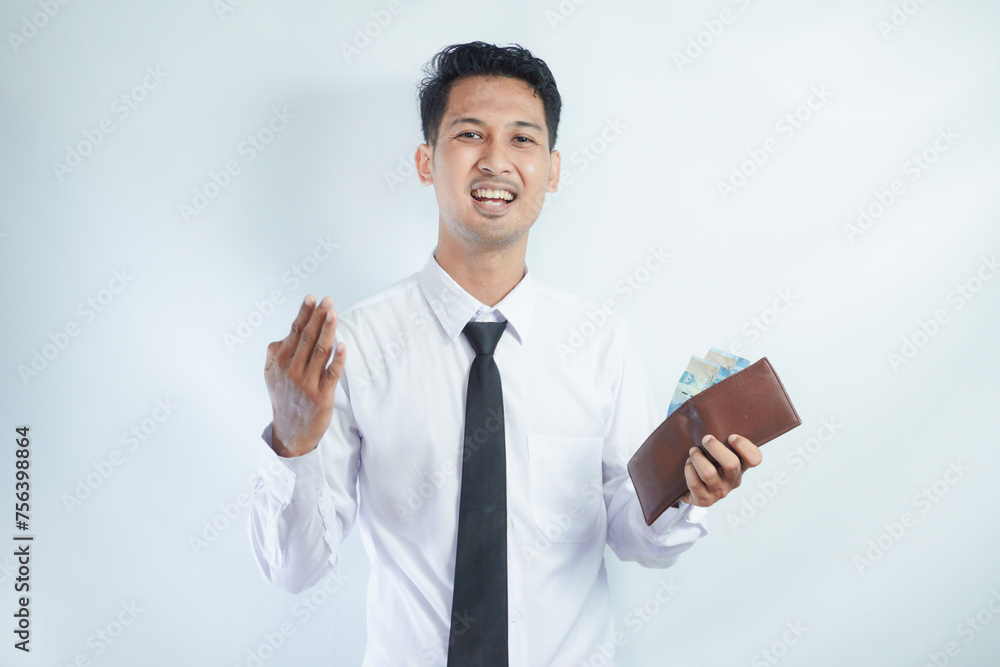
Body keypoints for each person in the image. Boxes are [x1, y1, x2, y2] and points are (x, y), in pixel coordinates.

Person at [249, 41, 762, 666]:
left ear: (552, 169)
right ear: (424, 161)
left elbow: (635, 537)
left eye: (523, 139)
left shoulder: (601, 342)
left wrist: (683, 494)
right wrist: (292, 443)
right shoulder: (353, 348)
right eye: (470, 134)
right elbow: (295, 571)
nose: (496, 161)